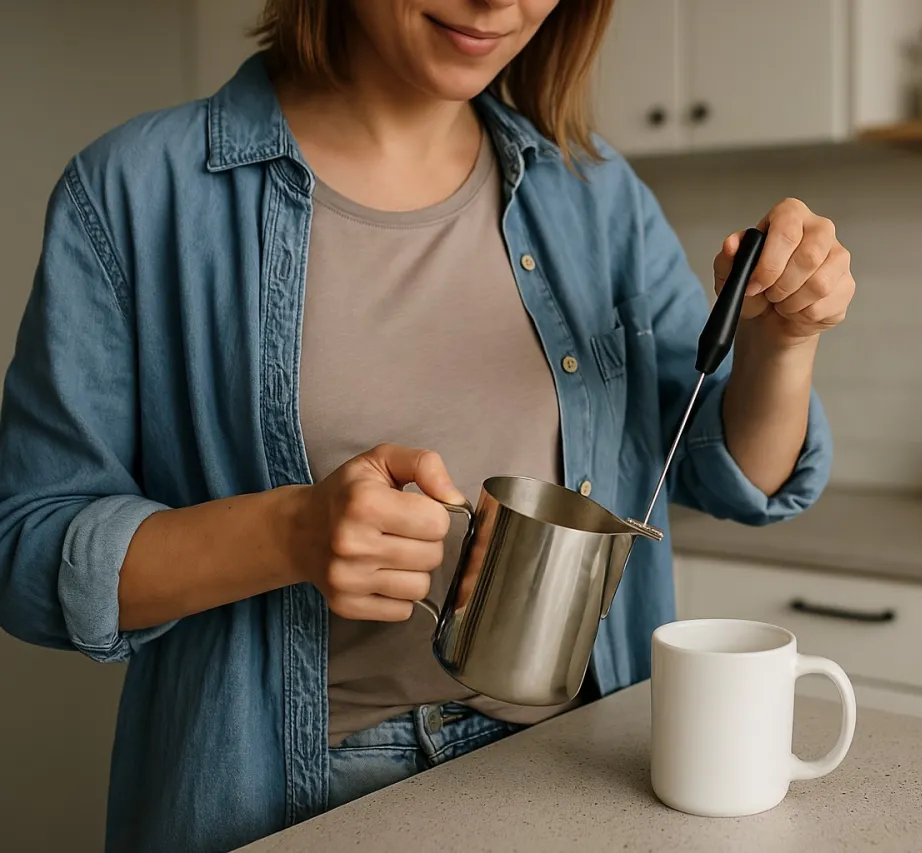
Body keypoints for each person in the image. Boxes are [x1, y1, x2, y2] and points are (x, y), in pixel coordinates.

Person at [0, 0, 855, 850]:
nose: (500, 3)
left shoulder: (596, 195)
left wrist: (782, 341)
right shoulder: (133, 192)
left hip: (584, 765)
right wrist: (289, 532)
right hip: (289, 802)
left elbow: (730, 473)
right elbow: (28, 549)